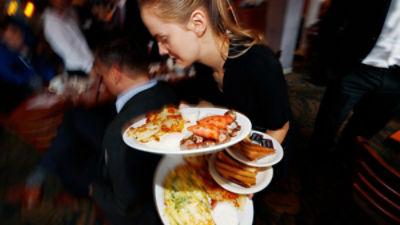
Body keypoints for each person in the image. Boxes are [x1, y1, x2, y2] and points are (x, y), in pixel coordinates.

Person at [138, 0, 294, 178]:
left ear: (198, 23)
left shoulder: (260, 63)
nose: (161, 51)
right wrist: (193, 114)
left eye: (164, 38)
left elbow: (279, 128)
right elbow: (211, 103)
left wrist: (249, 171)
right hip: (234, 144)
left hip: (267, 147)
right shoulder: (202, 64)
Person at [89, 37, 179, 225]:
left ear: (115, 74)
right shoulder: (171, 92)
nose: (102, 82)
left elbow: (125, 206)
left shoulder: (117, 133)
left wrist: (95, 192)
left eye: (102, 76)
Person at [308, 0, 400, 169]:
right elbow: (334, 18)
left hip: (396, 77)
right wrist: (325, 63)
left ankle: (342, 160)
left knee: (366, 126)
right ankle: (314, 165)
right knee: (329, 121)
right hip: (356, 67)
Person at [0, 17, 55, 113]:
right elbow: (19, 79)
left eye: (17, 30)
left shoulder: (29, 45)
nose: (19, 34)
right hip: (28, 96)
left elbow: (45, 68)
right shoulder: (6, 61)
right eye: (14, 33)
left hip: (49, 84)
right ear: (6, 40)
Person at [42, 0, 94, 76]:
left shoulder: (68, 11)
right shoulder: (51, 22)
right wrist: (89, 67)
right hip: (80, 68)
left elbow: (79, 38)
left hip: (89, 61)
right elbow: (69, 51)